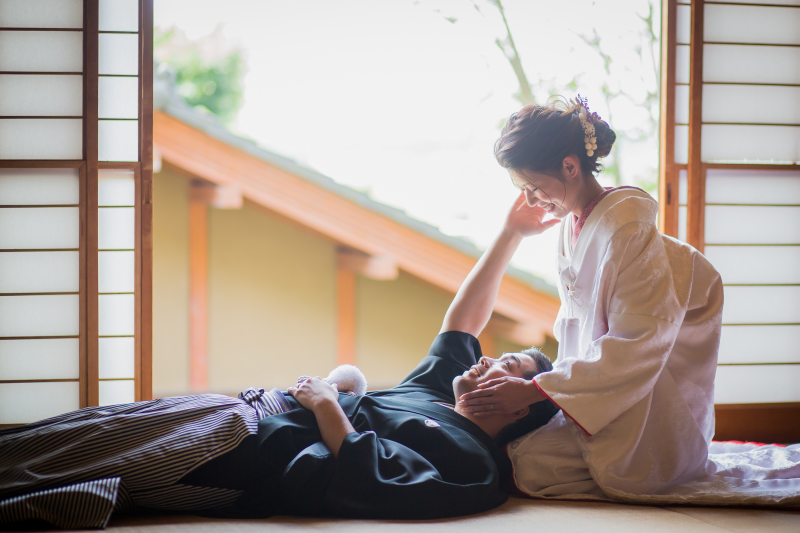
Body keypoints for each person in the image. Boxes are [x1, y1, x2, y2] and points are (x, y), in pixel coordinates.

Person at [0, 276, 558, 529]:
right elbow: (462, 323)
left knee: (87, 465)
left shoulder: (476, 468)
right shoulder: (436, 391)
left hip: (246, 453)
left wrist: (325, 406)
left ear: (519, 406)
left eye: (509, 366)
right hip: (244, 411)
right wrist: (512, 229)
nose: (488, 360)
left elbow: (378, 478)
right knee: (81, 431)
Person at [456, 96, 724, 499]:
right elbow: (575, 330)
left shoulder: (627, 228)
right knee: (523, 453)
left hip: (643, 400)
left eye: (534, 187)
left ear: (570, 165)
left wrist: (536, 390)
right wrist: (555, 391)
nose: (532, 201)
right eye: (524, 189)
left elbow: (638, 344)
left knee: (529, 461)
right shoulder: (573, 225)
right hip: (599, 392)